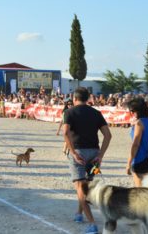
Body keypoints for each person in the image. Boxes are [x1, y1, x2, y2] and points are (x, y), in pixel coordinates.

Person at [63, 87, 112, 234]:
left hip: (78, 152)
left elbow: (65, 133)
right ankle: (79, 214)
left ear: (74, 97)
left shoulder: (69, 112)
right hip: (94, 153)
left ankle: (92, 223)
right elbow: (108, 135)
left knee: (80, 188)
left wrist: (72, 152)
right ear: (88, 98)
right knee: (87, 186)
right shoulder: (96, 113)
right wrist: (100, 155)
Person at [126, 97, 148, 187]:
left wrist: (128, 163)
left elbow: (136, 144)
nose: (131, 113)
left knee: (140, 191)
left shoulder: (139, 123)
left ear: (136, 111)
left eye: (131, 111)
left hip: (140, 159)